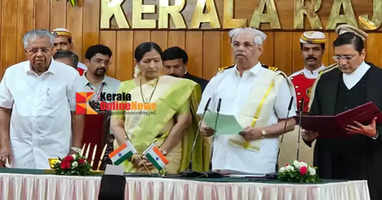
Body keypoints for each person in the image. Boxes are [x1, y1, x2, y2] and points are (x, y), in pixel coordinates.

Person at [198, 27, 297, 174]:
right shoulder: (219, 79)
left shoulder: (275, 80)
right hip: (222, 163)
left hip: (257, 164)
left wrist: (261, 131)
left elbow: (290, 122)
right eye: (236, 44)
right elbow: (204, 118)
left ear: (259, 49)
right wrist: (205, 128)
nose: (240, 48)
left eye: (247, 45)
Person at [303, 25, 382, 200]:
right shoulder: (326, 79)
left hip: (368, 160)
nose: (342, 63)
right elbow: (316, 116)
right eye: (338, 57)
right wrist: (308, 135)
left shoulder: (379, 79)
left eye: (348, 57)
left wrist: (376, 133)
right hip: (329, 161)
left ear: (363, 54)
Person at [110, 42, 210, 173]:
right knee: (123, 191)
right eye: (147, 61)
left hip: (164, 152)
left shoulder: (177, 87)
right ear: (137, 62)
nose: (152, 65)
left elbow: (184, 121)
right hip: (127, 153)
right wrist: (132, 155)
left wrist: (159, 153)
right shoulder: (124, 87)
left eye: (156, 61)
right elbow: (116, 123)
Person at [0, 29, 84, 169]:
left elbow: (80, 112)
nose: (39, 54)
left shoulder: (72, 74)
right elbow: (3, 108)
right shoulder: (11, 73)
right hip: (20, 150)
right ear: (26, 51)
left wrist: (75, 148)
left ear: (52, 50)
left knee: (54, 190)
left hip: (56, 149)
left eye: (44, 50)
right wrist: (4, 144)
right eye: (34, 50)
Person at [278, 31, 327, 167]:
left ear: (323, 51)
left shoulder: (332, 77)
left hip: (325, 138)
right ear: (301, 52)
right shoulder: (291, 80)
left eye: (316, 49)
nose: (310, 53)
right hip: (297, 139)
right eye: (306, 49)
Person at [77, 44, 120, 169]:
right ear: (87, 62)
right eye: (98, 61)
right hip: (80, 143)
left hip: (109, 146)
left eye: (106, 62)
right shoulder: (75, 84)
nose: (103, 65)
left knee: (109, 184)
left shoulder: (117, 86)